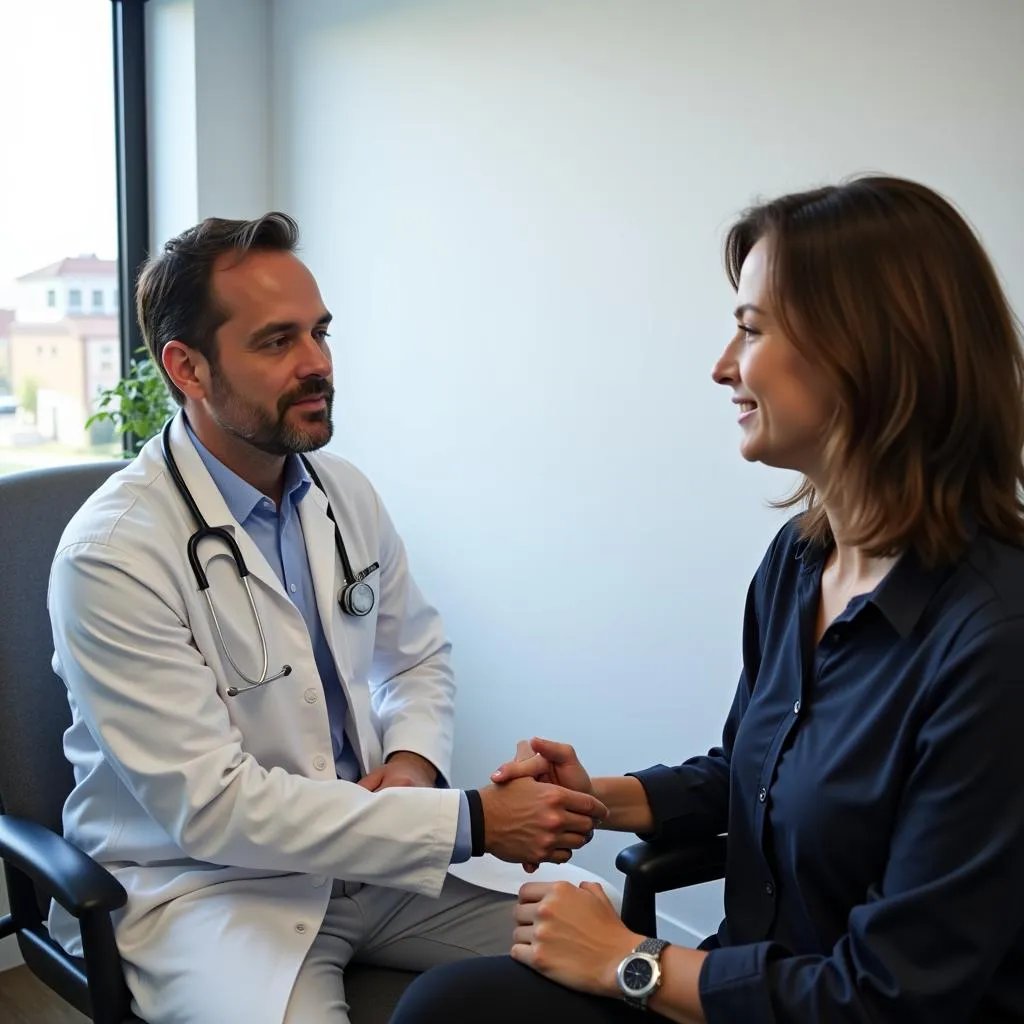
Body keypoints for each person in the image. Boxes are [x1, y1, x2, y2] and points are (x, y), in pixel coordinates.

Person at [389, 175, 1024, 1023]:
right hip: (745, 988)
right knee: (449, 1007)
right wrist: (599, 800)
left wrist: (631, 962)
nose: (723, 366)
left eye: (751, 330)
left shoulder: (994, 640)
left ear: (865, 352)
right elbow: (755, 773)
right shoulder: (801, 566)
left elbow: (889, 997)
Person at [45, 213, 609, 1024]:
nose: (318, 365)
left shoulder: (341, 492)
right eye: (277, 342)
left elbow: (416, 657)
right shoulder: (112, 555)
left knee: (601, 926)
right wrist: (472, 821)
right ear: (187, 368)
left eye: (319, 332)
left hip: (375, 859)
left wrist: (413, 762)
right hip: (211, 887)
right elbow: (212, 807)